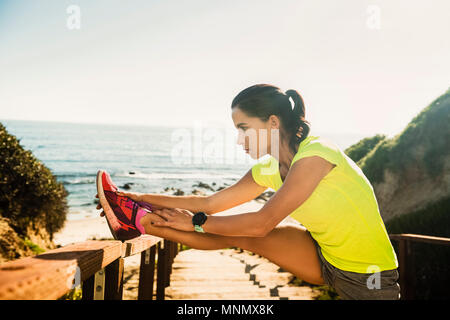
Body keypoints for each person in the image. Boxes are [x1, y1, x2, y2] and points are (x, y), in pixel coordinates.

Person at [96, 84, 400, 300]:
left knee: (245, 231)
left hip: (370, 278)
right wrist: (140, 198)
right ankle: (136, 221)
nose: (239, 140)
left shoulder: (316, 154)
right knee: (234, 234)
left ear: (272, 122)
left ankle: (136, 219)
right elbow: (210, 202)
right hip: (323, 258)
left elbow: (261, 222)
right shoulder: (268, 169)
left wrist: (195, 221)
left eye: (244, 128)